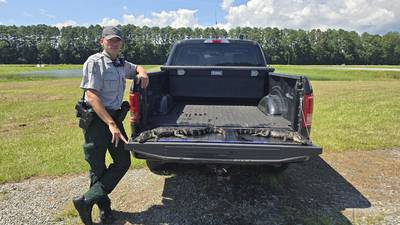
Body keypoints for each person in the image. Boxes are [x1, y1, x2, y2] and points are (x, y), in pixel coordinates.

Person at [74, 26, 149, 225]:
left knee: (123, 161)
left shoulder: (121, 64)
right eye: (110, 40)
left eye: (117, 40)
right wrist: (110, 124)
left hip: (114, 119)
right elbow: (91, 95)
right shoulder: (95, 62)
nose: (114, 43)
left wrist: (143, 73)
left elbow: (137, 67)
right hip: (98, 122)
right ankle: (105, 210)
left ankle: (87, 200)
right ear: (102, 42)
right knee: (97, 167)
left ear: (121, 43)